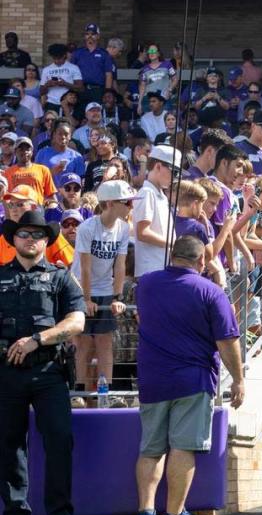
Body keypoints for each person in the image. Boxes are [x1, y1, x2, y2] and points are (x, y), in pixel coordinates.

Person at [134, 236, 245, 515]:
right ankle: (174, 513)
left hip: (152, 378)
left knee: (151, 448)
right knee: (183, 447)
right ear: (202, 262)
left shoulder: (145, 284)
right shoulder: (211, 292)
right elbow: (227, 341)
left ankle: (145, 513)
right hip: (192, 380)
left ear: (172, 256)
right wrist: (238, 379)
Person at [0, 210, 88, 515]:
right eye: (24, 234)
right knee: (9, 446)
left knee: (60, 440)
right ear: (13, 239)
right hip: (7, 373)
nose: (31, 239)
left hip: (50, 371)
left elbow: (77, 321)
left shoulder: (61, 277)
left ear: (46, 241)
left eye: (37, 235)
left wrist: (38, 340)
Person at [70, 180, 134, 395]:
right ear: (109, 203)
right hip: (81, 288)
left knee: (105, 343)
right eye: (126, 202)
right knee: (84, 344)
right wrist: (86, 299)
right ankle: (80, 390)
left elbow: (120, 263)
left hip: (106, 289)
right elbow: (85, 268)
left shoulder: (124, 228)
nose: (130, 207)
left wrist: (117, 297)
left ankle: (107, 391)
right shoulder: (87, 228)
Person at [133, 145, 182, 278]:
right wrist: (174, 244)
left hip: (162, 268)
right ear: (158, 166)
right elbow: (143, 232)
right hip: (151, 271)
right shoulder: (147, 193)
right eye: (174, 172)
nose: (175, 177)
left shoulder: (160, 195)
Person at [0, 185, 75, 266]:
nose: (13, 209)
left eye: (20, 204)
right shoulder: (4, 239)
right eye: (11, 205)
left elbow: (73, 264)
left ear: (33, 207)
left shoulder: (50, 235)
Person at [4, 137, 56, 205]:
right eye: (21, 149)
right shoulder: (7, 172)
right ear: (15, 152)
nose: (25, 152)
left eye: (27, 149)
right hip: (16, 211)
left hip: (37, 211)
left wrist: (53, 207)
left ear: (32, 151)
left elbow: (51, 195)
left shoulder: (43, 170)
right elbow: (4, 197)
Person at [71, 23, 113, 105]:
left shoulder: (104, 54)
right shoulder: (77, 53)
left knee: (97, 113)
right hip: (81, 89)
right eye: (87, 34)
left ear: (98, 36)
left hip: (98, 90)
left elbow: (108, 74)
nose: (89, 36)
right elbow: (71, 73)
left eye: (93, 34)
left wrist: (107, 91)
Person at [39, 44, 83, 113]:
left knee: (67, 123)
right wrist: (47, 85)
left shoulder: (74, 68)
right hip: (51, 103)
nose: (56, 61)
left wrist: (65, 84)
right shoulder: (46, 70)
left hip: (68, 103)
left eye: (59, 58)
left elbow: (80, 88)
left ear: (64, 55)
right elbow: (41, 92)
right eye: (54, 58)